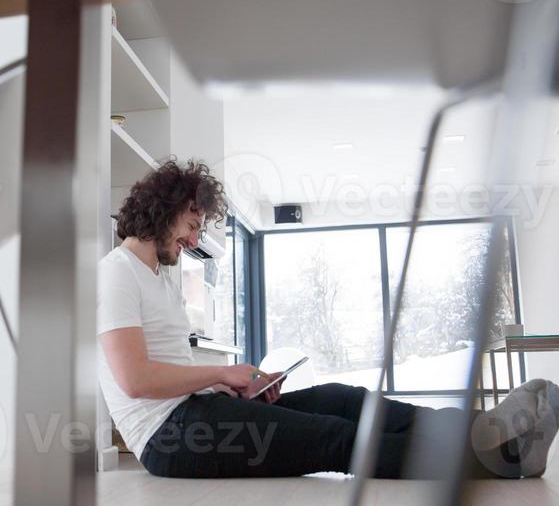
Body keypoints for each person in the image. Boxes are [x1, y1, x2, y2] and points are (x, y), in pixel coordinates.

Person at [97, 158, 559, 480]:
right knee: (337, 439)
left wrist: (227, 386)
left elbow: (169, 367)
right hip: (170, 438)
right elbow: (135, 380)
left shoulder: (160, 277)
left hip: (195, 411)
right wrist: (220, 372)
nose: (195, 238)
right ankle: (502, 458)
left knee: (344, 399)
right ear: (163, 208)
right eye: (192, 224)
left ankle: (488, 429)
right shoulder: (116, 272)